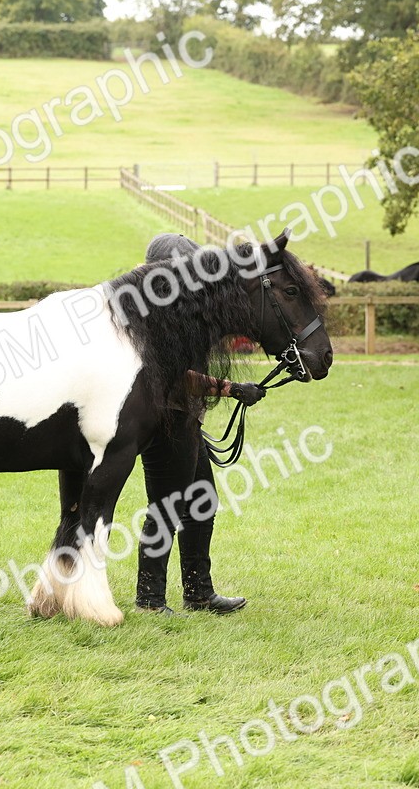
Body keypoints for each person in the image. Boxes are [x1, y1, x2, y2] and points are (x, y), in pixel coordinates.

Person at [135, 233, 267, 616]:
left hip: (184, 419)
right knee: (166, 507)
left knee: (201, 502)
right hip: (165, 421)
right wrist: (230, 388)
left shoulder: (180, 310)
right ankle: (150, 599)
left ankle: (197, 593)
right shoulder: (153, 316)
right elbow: (178, 376)